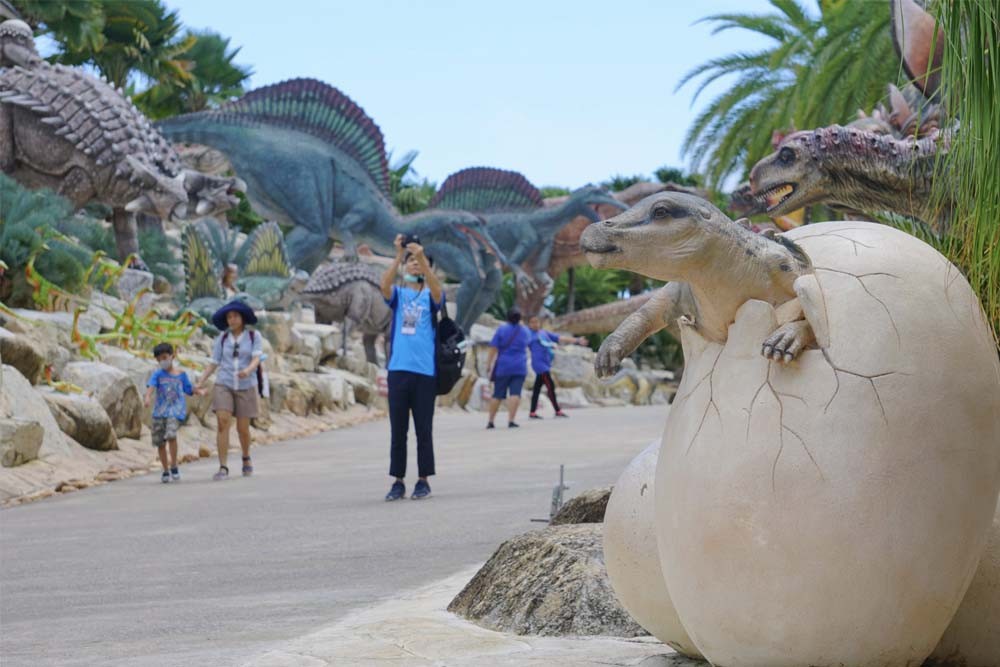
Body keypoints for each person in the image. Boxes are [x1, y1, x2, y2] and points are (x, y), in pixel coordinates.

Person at [380, 233, 444, 501]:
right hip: (398, 370)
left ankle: (423, 480)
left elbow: (439, 292)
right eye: (411, 262)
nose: (414, 265)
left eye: (418, 262)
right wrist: (398, 255)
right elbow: (383, 286)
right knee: (398, 430)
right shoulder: (400, 295)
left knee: (423, 429)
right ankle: (397, 481)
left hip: (424, 372)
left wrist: (422, 256)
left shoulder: (430, 295)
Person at [195, 300, 263, 481]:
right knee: (222, 421)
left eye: (235, 316)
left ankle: (246, 456)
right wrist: (201, 381)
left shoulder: (253, 336)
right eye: (229, 317)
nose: (232, 320)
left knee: (243, 428)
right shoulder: (222, 339)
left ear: (242, 318)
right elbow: (214, 362)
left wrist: (248, 370)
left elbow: (257, 358)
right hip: (224, 383)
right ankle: (223, 466)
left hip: (246, 385)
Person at [144, 342, 204, 483]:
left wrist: (199, 391)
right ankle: (165, 470)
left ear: (172, 356)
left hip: (175, 411)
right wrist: (147, 397)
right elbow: (151, 386)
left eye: (165, 357)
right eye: (159, 360)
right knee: (160, 442)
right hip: (159, 412)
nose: (162, 362)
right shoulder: (157, 374)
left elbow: (189, 389)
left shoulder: (181, 375)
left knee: (171, 435)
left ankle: (174, 466)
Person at [526, 316, 588, 419]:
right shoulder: (527, 335)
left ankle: (532, 412)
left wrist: (576, 340)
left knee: (537, 388)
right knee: (550, 387)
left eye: (536, 322)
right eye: (532, 322)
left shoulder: (544, 333)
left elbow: (559, 338)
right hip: (539, 365)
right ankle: (557, 410)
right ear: (529, 324)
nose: (535, 324)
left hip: (546, 364)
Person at [486, 308, 532, 429]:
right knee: (515, 393)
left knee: (497, 394)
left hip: (503, 366)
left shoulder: (502, 329)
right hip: (519, 366)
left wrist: (488, 364)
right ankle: (511, 420)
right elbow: (529, 342)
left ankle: (491, 421)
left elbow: (493, 348)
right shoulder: (525, 331)